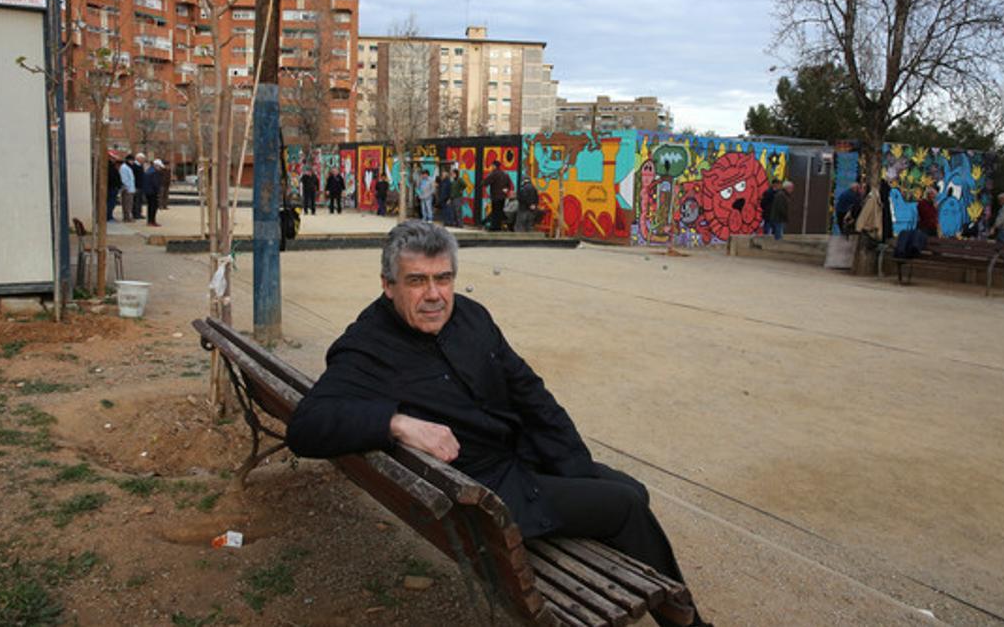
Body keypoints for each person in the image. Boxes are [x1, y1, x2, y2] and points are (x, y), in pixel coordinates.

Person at [286, 221, 706, 627]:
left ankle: (611, 569)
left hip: (521, 460)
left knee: (631, 490)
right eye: (417, 281)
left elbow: (531, 395)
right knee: (626, 506)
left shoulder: (471, 317)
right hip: (490, 499)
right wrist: (396, 423)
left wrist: (574, 468)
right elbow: (306, 425)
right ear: (388, 285)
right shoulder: (367, 347)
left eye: (443, 279)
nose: (434, 295)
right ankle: (688, 624)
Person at [484, 160, 512, 231]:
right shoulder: (505, 174)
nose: (491, 167)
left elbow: (485, 182)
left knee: (495, 212)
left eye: (492, 166)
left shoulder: (494, 174)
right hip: (503, 197)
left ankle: (494, 227)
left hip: (495, 196)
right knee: (499, 211)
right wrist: (506, 189)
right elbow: (509, 185)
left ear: (494, 166)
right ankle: (499, 226)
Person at [143, 159, 163, 227]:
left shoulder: (149, 171)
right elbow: (155, 183)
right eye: (159, 167)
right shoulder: (154, 172)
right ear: (156, 165)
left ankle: (150, 221)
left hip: (148, 191)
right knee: (153, 207)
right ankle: (152, 221)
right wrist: (158, 190)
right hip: (152, 192)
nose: (160, 169)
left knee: (150, 207)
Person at [119, 154, 137, 223]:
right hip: (127, 189)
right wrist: (127, 187)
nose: (133, 162)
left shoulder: (128, 167)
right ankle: (127, 217)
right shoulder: (124, 167)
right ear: (128, 160)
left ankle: (128, 216)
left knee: (129, 203)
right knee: (127, 204)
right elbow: (124, 179)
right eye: (132, 160)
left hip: (130, 188)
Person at [131, 153, 147, 219]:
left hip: (141, 186)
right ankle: (136, 214)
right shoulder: (134, 166)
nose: (143, 160)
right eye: (143, 159)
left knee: (140, 201)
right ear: (138, 158)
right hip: (136, 186)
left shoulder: (140, 166)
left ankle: (139, 213)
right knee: (136, 201)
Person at [106, 156, 121, 222]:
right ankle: (109, 217)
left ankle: (110, 216)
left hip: (112, 187)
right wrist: (117, 185)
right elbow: (113, 178)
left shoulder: (111, 167)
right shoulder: (110, 168)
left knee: (111, 203)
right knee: (111, 203)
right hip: (112, 188)